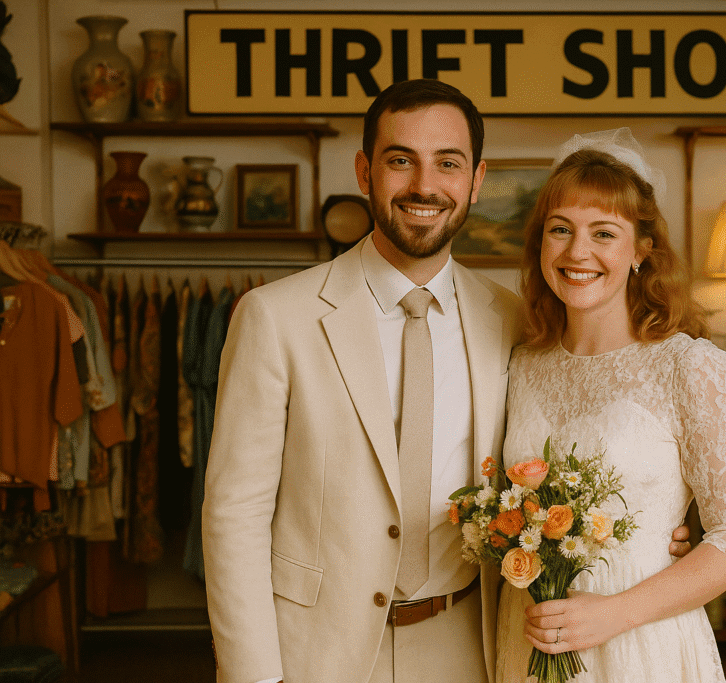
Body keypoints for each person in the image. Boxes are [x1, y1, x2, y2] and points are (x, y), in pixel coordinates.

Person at [203, 81, 693, 683]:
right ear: (364, 171)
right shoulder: (274, 317)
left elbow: (577, 450)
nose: (424, 186)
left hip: (474, 646)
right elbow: (234, 515)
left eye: (448, 164)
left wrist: (651, 533)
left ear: (476, 181)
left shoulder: (516, 322)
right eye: (400, 160)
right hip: (312, 652)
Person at [495, 129, 726, 683]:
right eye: (560, 230)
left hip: (640, 647)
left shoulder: (688, 366)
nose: (578, 252)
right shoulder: (518, 364)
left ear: (642, 250)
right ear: (540, 244)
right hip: (526, 641)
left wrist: (613, 613)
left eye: (604, 233)